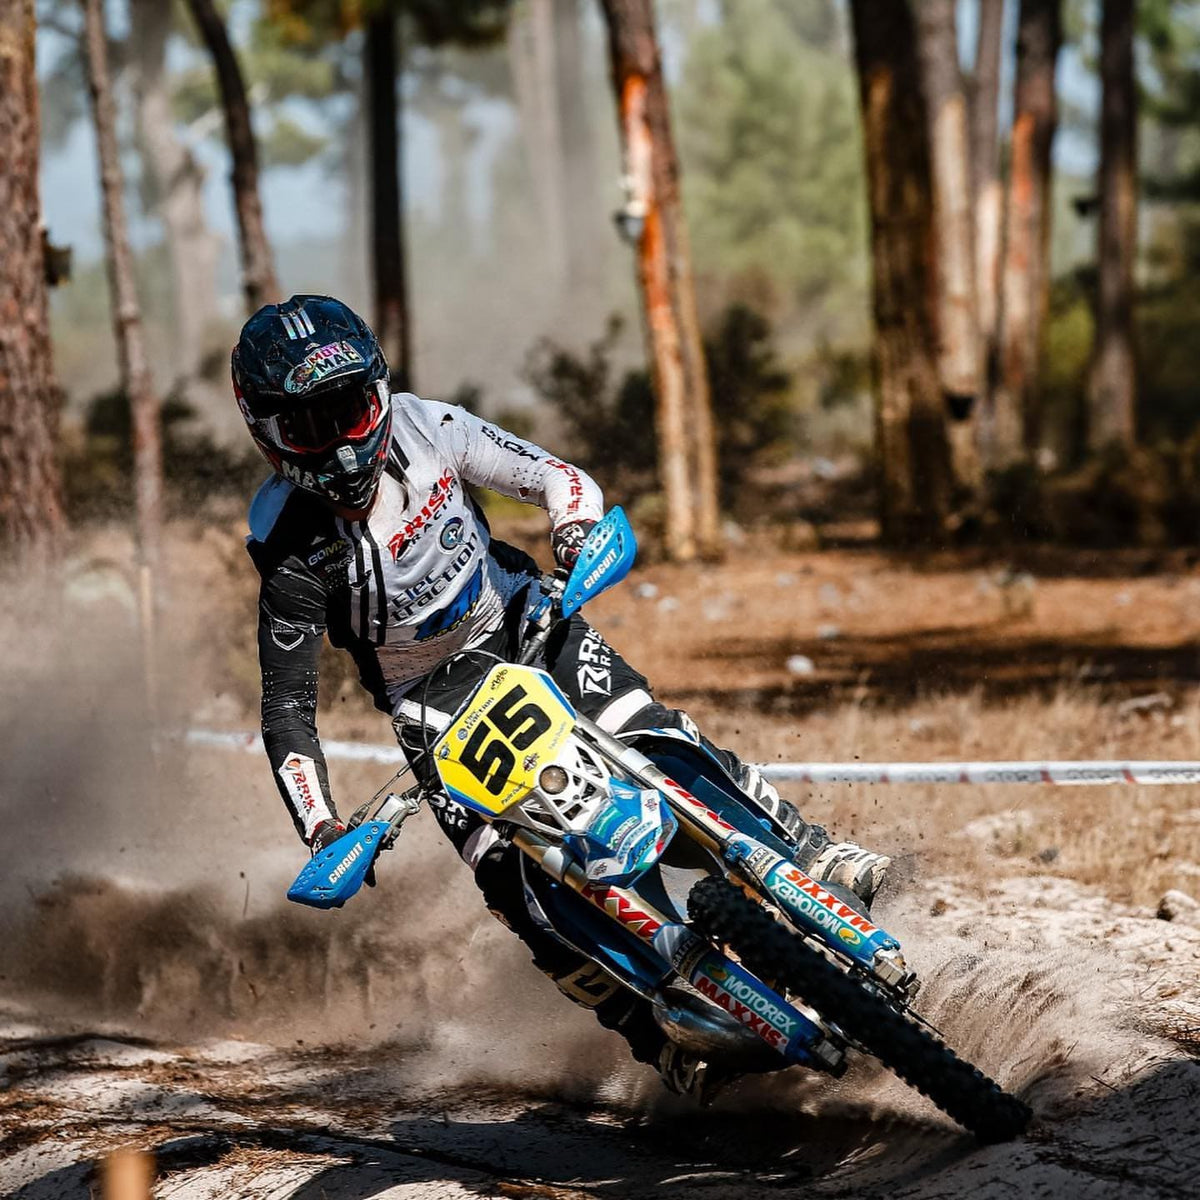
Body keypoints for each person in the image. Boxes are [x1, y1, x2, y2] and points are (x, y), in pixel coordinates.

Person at [237, 295, 889, 1098]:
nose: (337, 444)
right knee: (516, 889)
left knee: (650, 737)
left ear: (379, 393)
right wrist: (324, 828)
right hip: (430, 705)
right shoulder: (288, 550)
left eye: (349, 411)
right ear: (265, 433)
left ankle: (808, 852)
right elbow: (288, 713)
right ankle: (652, 1035)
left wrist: (574, 537)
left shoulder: (428, 428)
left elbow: (554, 478)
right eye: (306, 427)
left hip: (522, 620)